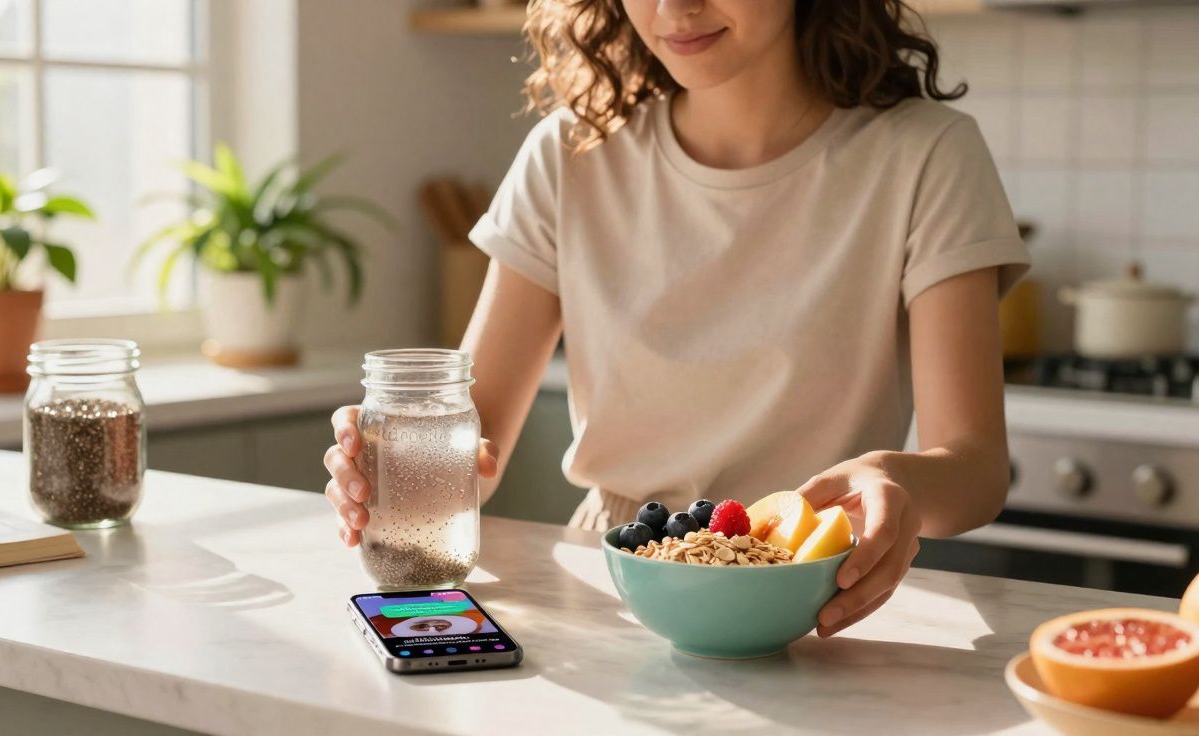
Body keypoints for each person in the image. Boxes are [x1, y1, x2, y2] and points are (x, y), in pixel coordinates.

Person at [325, 0, 1028, 638]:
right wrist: (389, 463)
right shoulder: (567, 156)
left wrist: (895, 479)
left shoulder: (928, 155)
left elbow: (975, 469)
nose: (675, 7)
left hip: (806, 601)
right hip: (614, 591)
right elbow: (474, 446)